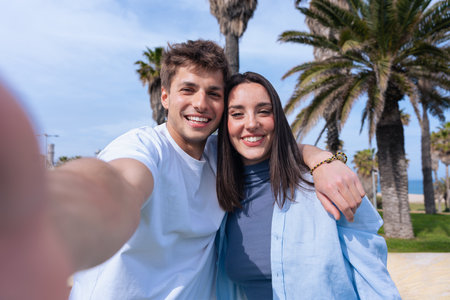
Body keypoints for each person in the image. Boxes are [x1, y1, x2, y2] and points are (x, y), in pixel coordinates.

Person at [1, 40, 364, 299]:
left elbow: (270, 141)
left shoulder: (220, 159)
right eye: (188, 89)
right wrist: (53, 225)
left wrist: (321, 158)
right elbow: (119, 186)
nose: (200, 104)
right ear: (165, 97)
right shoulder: (143, 148)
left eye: (213, 93)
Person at [215, 72, 400, 299]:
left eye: (264, 111)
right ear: (224, 124)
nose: (252, 123)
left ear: (278, 119)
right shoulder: (219, 196)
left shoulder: (327, 184)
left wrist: (322, 159)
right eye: (237, 114)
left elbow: (373, 281)